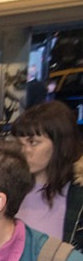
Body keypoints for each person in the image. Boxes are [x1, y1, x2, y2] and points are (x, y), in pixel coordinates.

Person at [11, 100, 83, 249]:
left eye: (33, 142)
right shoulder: (8, 189)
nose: (24, 151)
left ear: (60, 144)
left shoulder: (78, 196)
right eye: (20, 144)